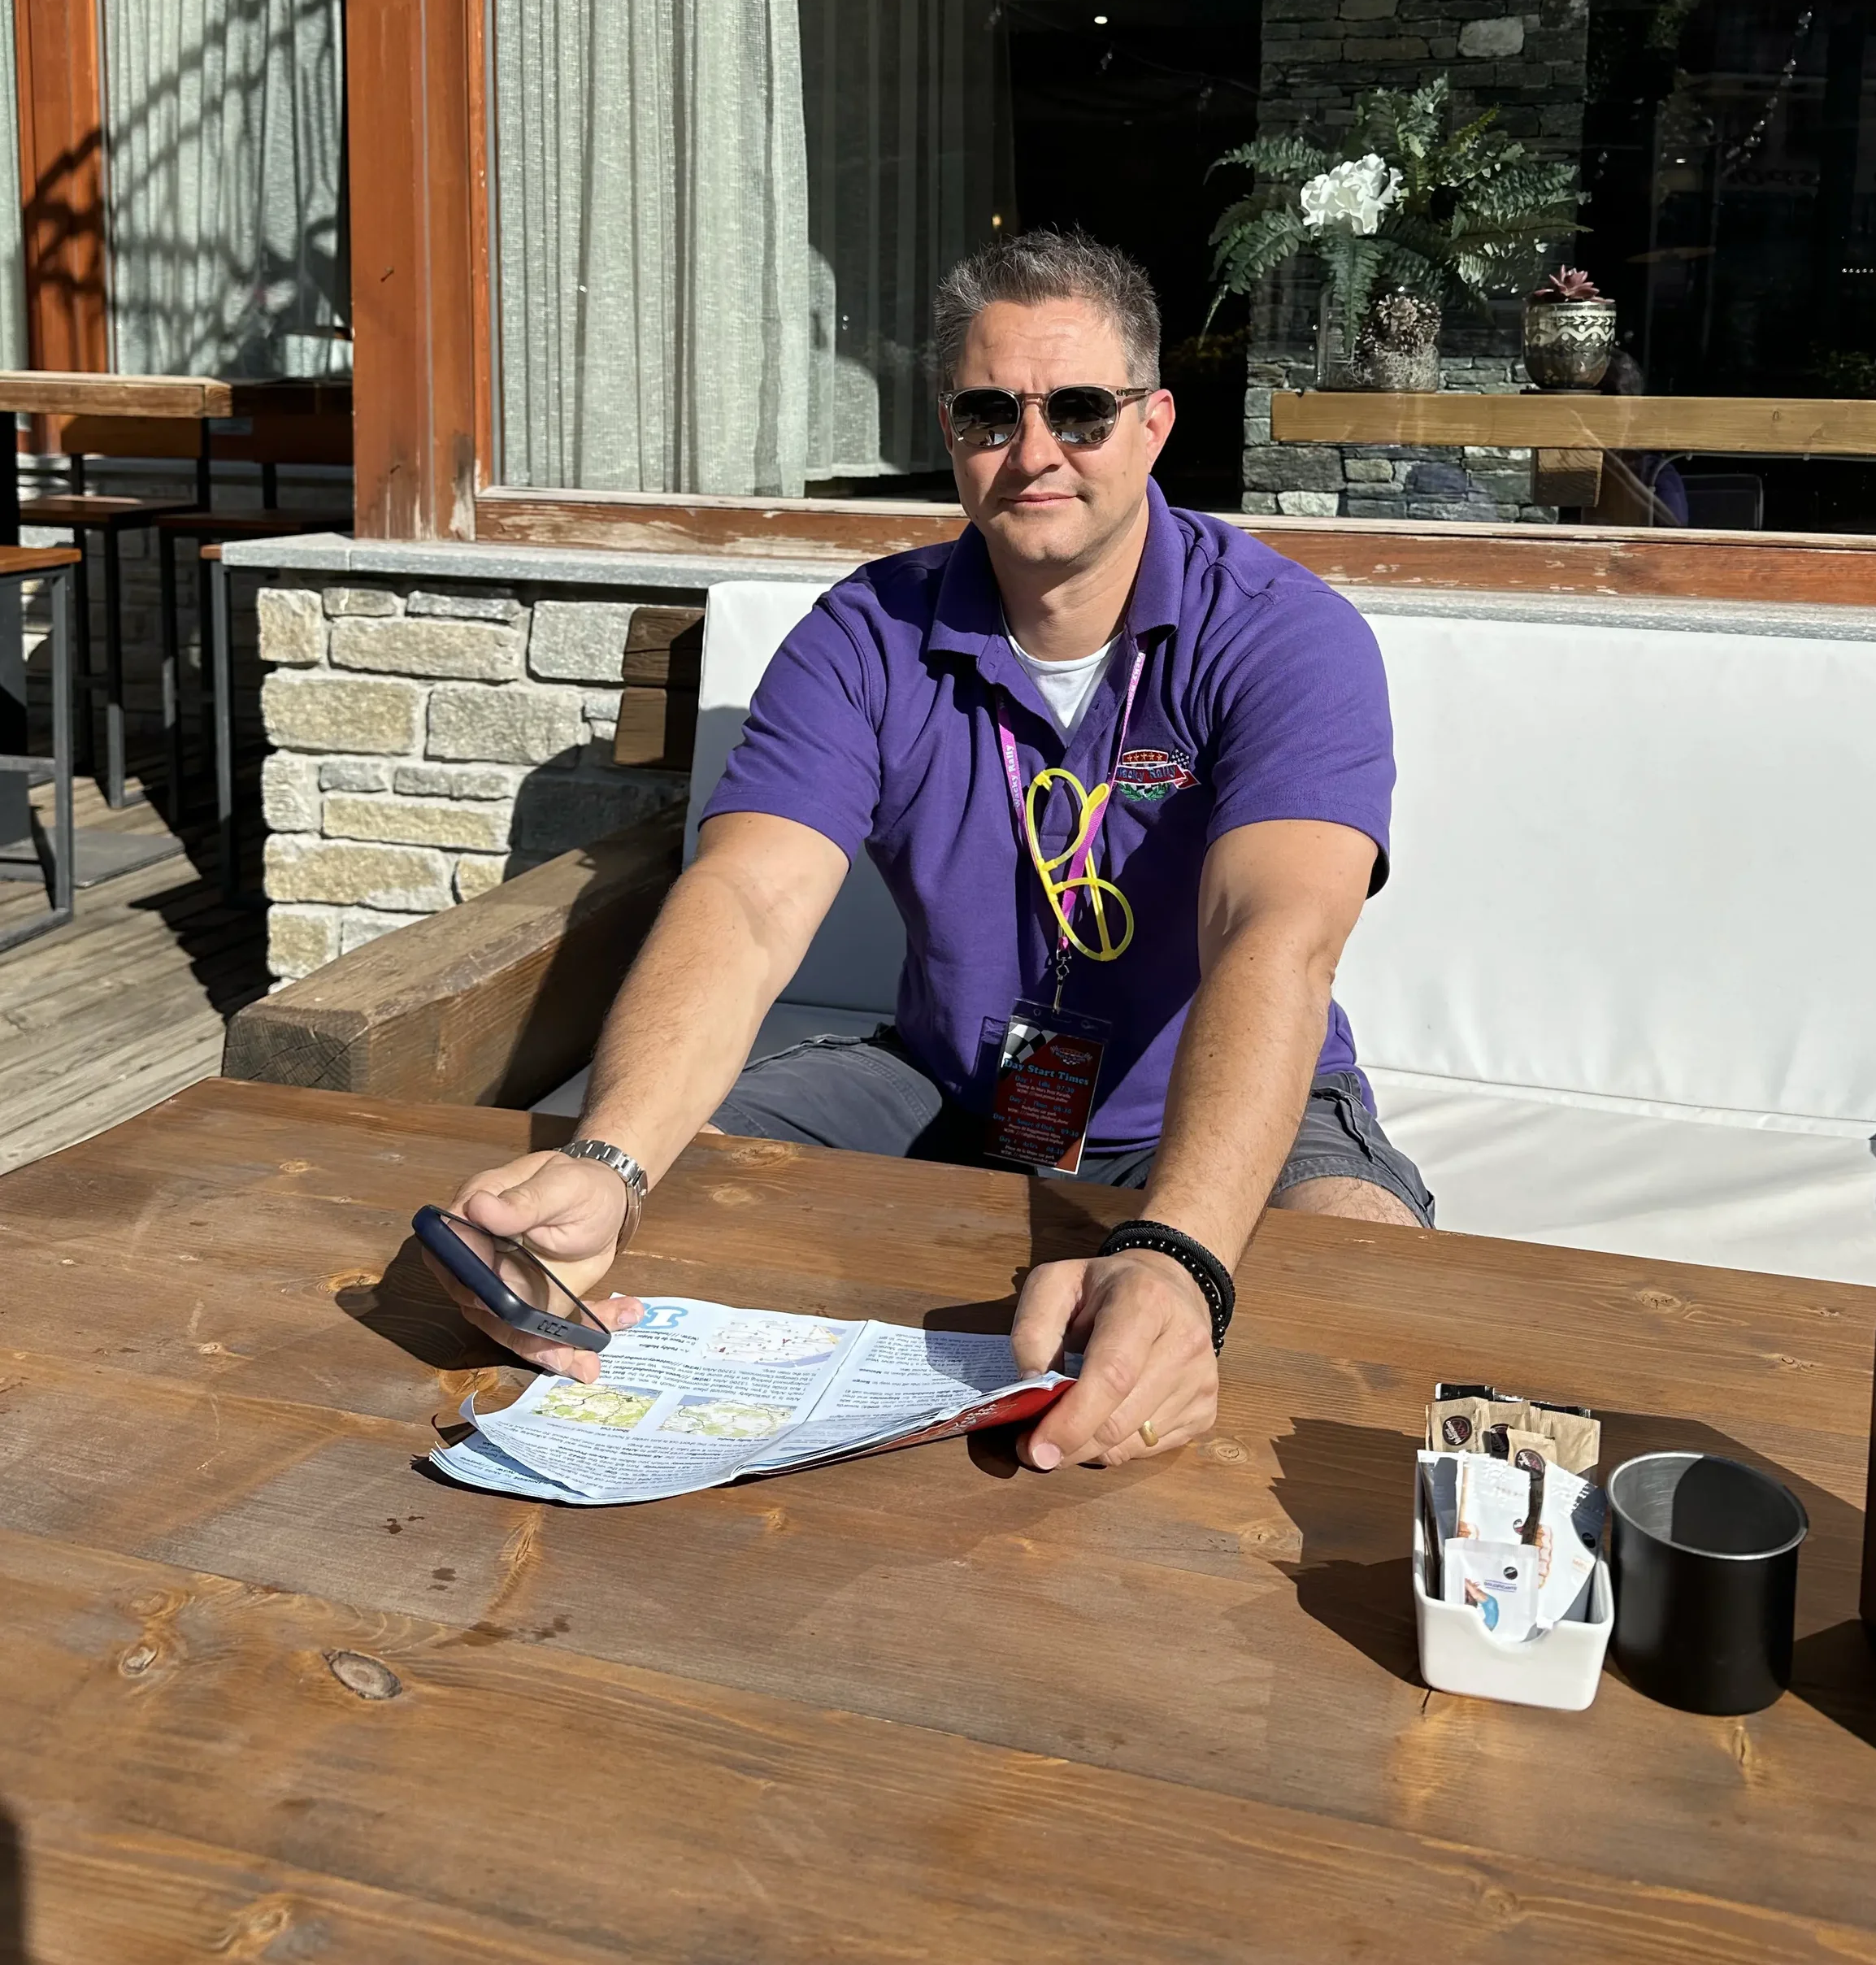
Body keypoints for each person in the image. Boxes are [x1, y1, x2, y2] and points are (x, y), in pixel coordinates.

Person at [431, 231, 1432, 1472]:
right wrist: (605, 1158)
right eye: (991, 413)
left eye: (1081, 410)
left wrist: (1177, 1252)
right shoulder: (868, 632)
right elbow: (748, 898)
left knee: (1369, 1292)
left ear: (1155, 422)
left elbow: (1276, 937)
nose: (1036, 451)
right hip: (951, 1083)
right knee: (653, 1195)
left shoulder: (1283, 634)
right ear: (949, 431)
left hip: (1225, 1095)